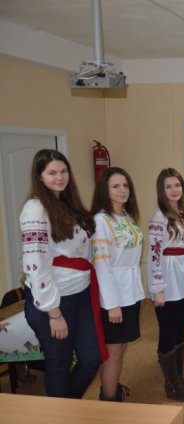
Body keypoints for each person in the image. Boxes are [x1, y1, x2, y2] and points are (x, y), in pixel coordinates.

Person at [20, 149, 102, 398]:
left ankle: (67, 407)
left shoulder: (69, 205)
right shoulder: (35, 209)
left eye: (64, 171)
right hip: (54, 300)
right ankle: (62, 412)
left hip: (81, 293)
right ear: (40, 176)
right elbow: (35, 263)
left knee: (91, 359)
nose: (60, 177)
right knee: (59, 364)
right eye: (52, 173)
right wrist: (53, 313)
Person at [91, 167, 145, 401]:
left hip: (130, 293)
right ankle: (109, 402)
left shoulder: (127, 217)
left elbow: (133, 260)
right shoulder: (100, 220)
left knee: (121, 348)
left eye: (125, 185)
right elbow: (101, 265)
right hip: (113, 297)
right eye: (115, 186)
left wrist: (138, 293)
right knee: (112, 352)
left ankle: (112, 391)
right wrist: (112, 304)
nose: (122, 190)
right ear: (105, 190)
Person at [147, 168, 184, 402]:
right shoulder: (158, 216)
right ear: (162, 190)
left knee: (179, 330)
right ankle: (171, 384)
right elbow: (154, 252)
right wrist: (157, 287)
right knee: (168, 331)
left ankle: (177, 378)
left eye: (177, 185)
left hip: (183, 278)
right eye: (168, 186)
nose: (174, 190)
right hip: (167, 279)